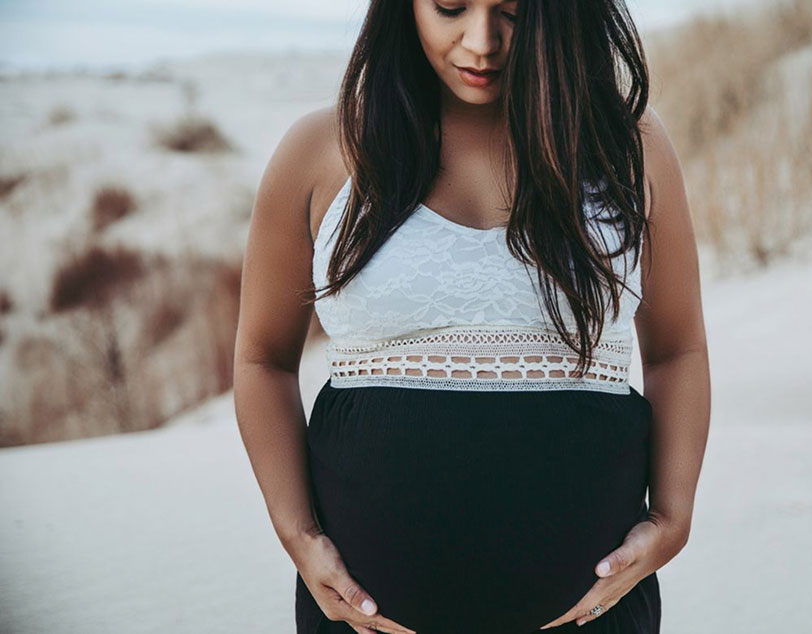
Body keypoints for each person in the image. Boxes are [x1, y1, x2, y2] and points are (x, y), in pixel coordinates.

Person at [233, 1, 710, 632]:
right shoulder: (321, 150)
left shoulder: (625, 145)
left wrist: (674, 518)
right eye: (451, 7)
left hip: (595, 616)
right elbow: (262, 359)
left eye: (513, 11)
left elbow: (677, 349)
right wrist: (296, 533)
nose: (482, 41)